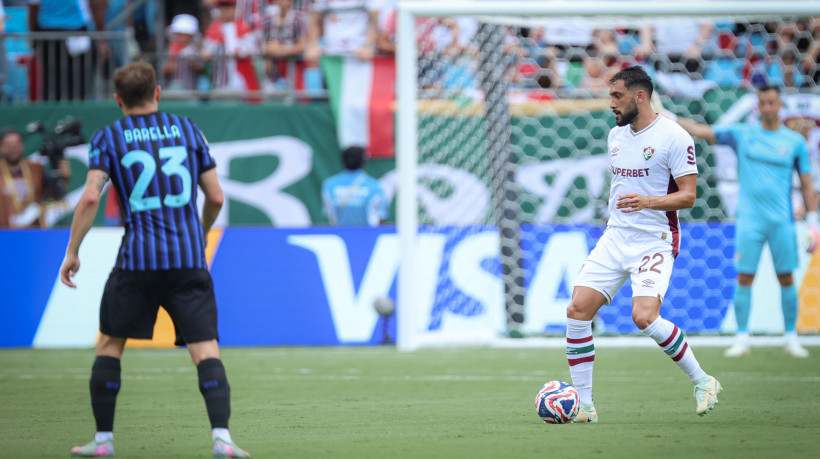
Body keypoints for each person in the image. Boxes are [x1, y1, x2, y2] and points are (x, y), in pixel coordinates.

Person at [59, 62, 250, 458]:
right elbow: (216, 197)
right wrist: (199, 232)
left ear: (118, 99)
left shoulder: (109, 137)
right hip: (187, 259)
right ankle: (223, 439)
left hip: (137, 261)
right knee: (205, 349)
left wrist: (73, 250)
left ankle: (103, 442)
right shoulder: (188, 129)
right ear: (158, 92)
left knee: (110, 344)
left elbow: (91, 197)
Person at [566, 66, 721, 424]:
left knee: (644, 317)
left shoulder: (675, 137)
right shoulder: (615, 136)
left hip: (654, 239)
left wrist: (647, 202)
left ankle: (703, 381)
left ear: (639, 96)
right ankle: (585, 407)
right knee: (577, 310)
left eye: (617, 96)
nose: (611, 103)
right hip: (615, 235)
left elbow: (689, 196)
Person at [670, 84, 817, 358]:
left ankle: (791, 337)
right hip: (750, 220)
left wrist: (812, 221)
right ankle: (742, 338)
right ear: (757, 106)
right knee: (745, 276)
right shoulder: (743, 134)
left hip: (782, 221)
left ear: (780, 105)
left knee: (786, 277)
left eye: (772, 102)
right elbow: (702, 131)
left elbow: (807, 185)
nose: (768, 107)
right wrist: (670, 117)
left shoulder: (795, 142)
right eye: (763, 103)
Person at [27, 0, 108, 101]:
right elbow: (97, 6)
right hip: (73, 34)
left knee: (55, 83)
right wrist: (102, 39)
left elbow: (33, 12)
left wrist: (35, 41)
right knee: (78, 85)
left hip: (56, 36)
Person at [0, 127, 70, 228]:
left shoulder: (36, 169)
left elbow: (55, 195)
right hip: (3, 232)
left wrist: (64, 178)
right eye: (8, 144)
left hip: (35, 231)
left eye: (17, 143)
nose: (13, 148)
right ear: (1, 147)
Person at [321, 146, 388, 226]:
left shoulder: (329, 185)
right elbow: (381, 219)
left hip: (338, 233)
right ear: (362, 161)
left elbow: (329, 214)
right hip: (367, 233)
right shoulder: (375, 186)